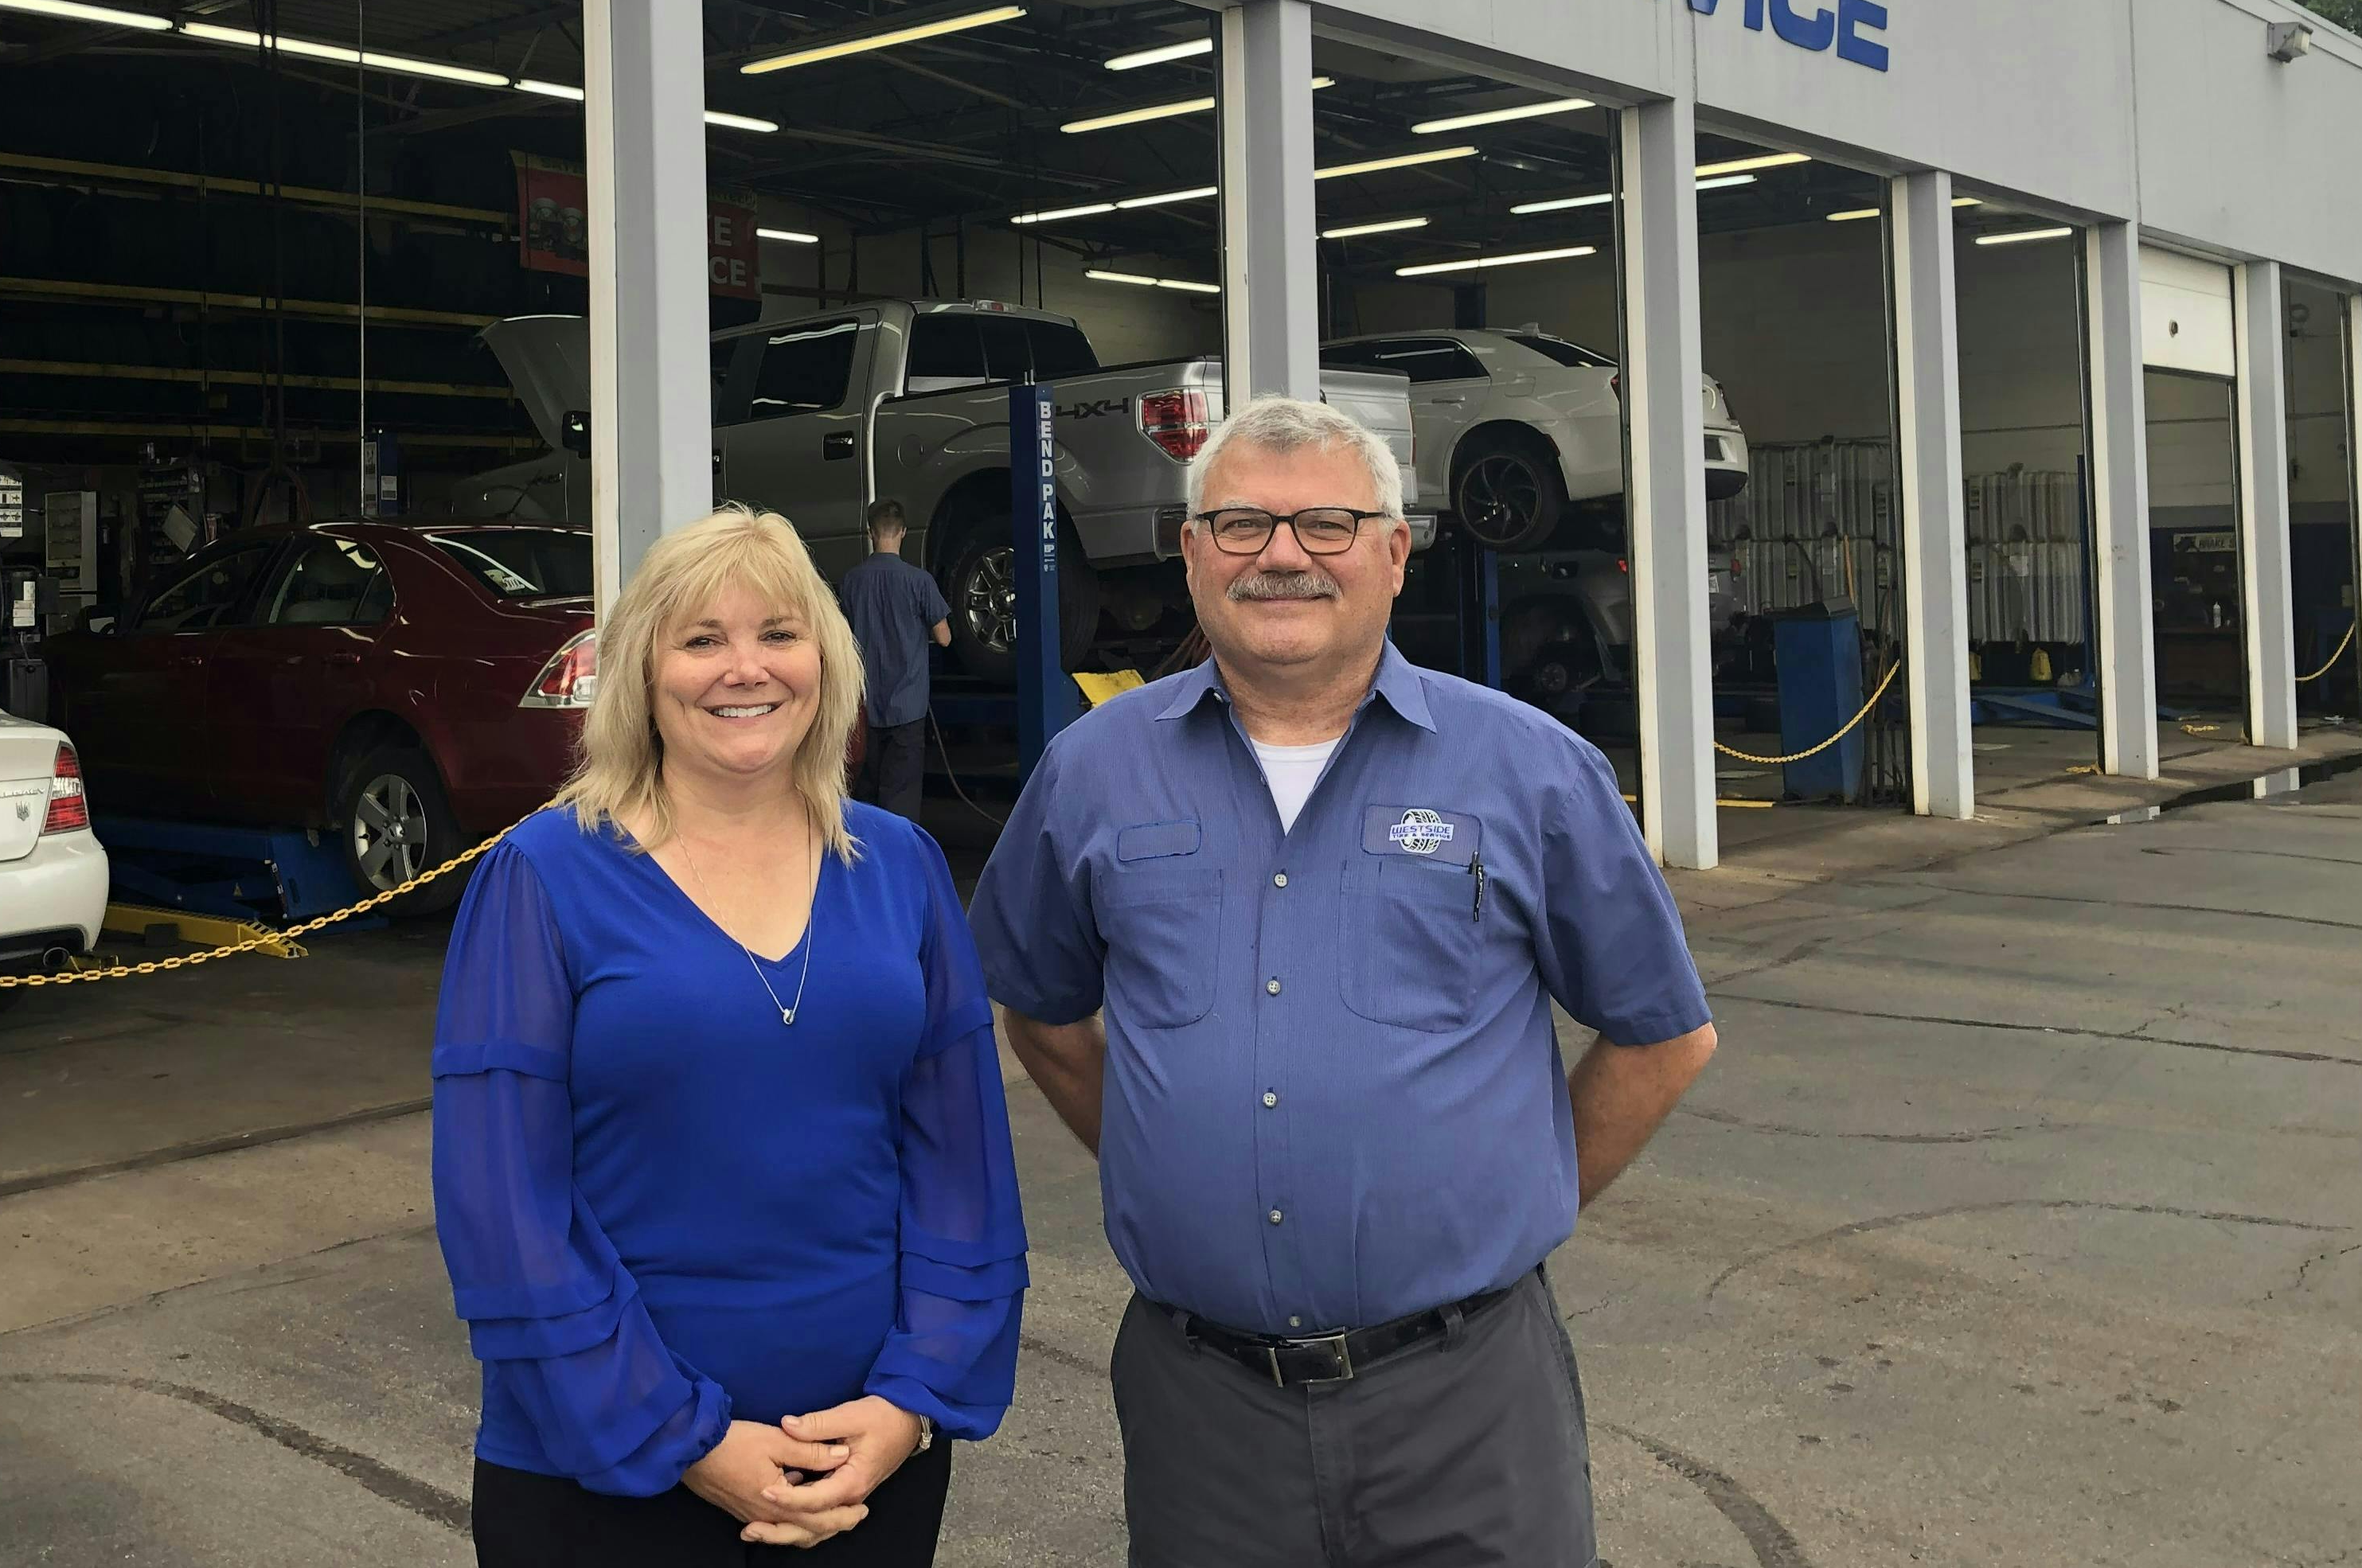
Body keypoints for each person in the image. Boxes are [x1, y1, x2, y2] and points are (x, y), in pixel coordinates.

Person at [973, 396, 1719, 1568]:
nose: (1281, 556)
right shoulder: (1092, 771)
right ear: (1190, 552)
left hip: (1469, 1398)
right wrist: (1170, 1160)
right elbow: (1044, 1011)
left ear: (1394, 551)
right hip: (1203, 1409)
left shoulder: (1529, 770)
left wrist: (1518, 1193)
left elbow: (1663, 1036)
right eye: (1240, 525)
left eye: (1326, 524)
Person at [431, 506, 1029, 1566]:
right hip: (600, 1469)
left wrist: (913, 1401)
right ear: (642, 676)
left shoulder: (898, 867)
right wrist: (681, 1435)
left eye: (778, 634)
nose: (744, 669)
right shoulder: (540, 878)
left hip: (865, 1466)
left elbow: (963, 1172)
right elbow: (503, 1209)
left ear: (826, 659)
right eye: (701, 639)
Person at [837, 499, 952, 823]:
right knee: (901, 798)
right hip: (908, 706)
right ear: (903, 532)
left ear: (871, 533)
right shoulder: (920, 582)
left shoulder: (852, 581)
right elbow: (944, 637)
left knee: (865, 796)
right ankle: (899, 865)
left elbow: (842, 640)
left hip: (864, 707)